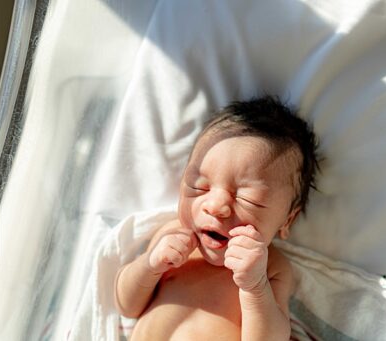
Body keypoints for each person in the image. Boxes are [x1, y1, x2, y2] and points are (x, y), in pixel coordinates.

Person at [115, 95, 321, 340]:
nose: (215, 206)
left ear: (287, 220)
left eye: (248, 198)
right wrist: (149, 265)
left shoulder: (270, 269)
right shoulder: (172, 236)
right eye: (199, 186)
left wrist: (255, 288)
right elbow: (126, 305)